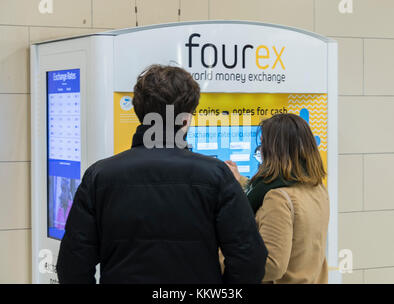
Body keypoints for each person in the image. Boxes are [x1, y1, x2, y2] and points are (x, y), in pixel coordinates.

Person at [56, 64, 267, 284]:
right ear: (186, 119)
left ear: (139, 114)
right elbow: (250, 260)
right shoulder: (216, 176)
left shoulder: (99, 177)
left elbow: (73, 265)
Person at [225, 113, 329, 283]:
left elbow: (271, 265)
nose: (261, 151)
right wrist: (240, 181)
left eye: (262, 145)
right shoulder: (317, 188)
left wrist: (222, 259)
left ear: (274, 151)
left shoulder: (278, 198)